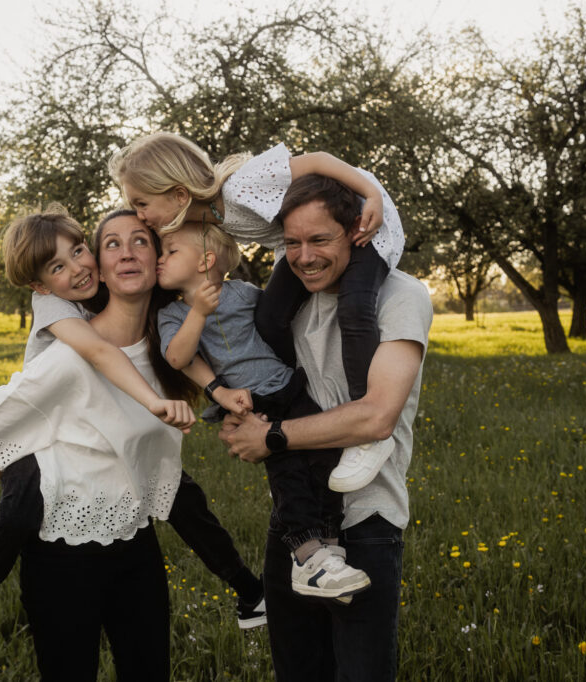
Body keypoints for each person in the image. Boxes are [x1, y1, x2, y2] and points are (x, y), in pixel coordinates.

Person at [0, 209, 264, 682]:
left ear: (160, 260)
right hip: (61, 557)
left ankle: (249, 590)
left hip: (136, 543)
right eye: (112, 244)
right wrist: (47, 476)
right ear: (104, 270)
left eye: (140, 241)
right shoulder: (68, 355)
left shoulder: (173, 349)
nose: (126, 253)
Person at [219, 174, 432, 682]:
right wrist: (237, 413)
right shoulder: (288, 304)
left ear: (357, 232)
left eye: (319, 239)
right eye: (292, 243)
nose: (304, 256)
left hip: (368, 519)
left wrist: (272, 437)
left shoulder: (400, 295)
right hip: (296, 528)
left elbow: (377, 415)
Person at [109, 131, 405, 492]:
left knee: (355, 307)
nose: (140, 215)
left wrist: (371, 194)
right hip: (303, 245)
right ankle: (290, 389)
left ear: (180, 195)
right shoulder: (206, 221)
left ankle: (366, 429)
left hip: (365, 222)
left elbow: (318, 160)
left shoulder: (239, 188)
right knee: (269, 316)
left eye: (141, 204)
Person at [155, 220, 370, 599]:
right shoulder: (173, 314)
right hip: (252, 404)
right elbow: (177, 357)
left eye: (170, 251)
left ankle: (330, 549)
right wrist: (199, 312)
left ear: (205, 261)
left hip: (288, 386)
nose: (160, 258)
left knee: (327, 458)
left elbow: (281, 316)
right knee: (288, 474)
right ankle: (306, 554)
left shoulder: (242, 292)